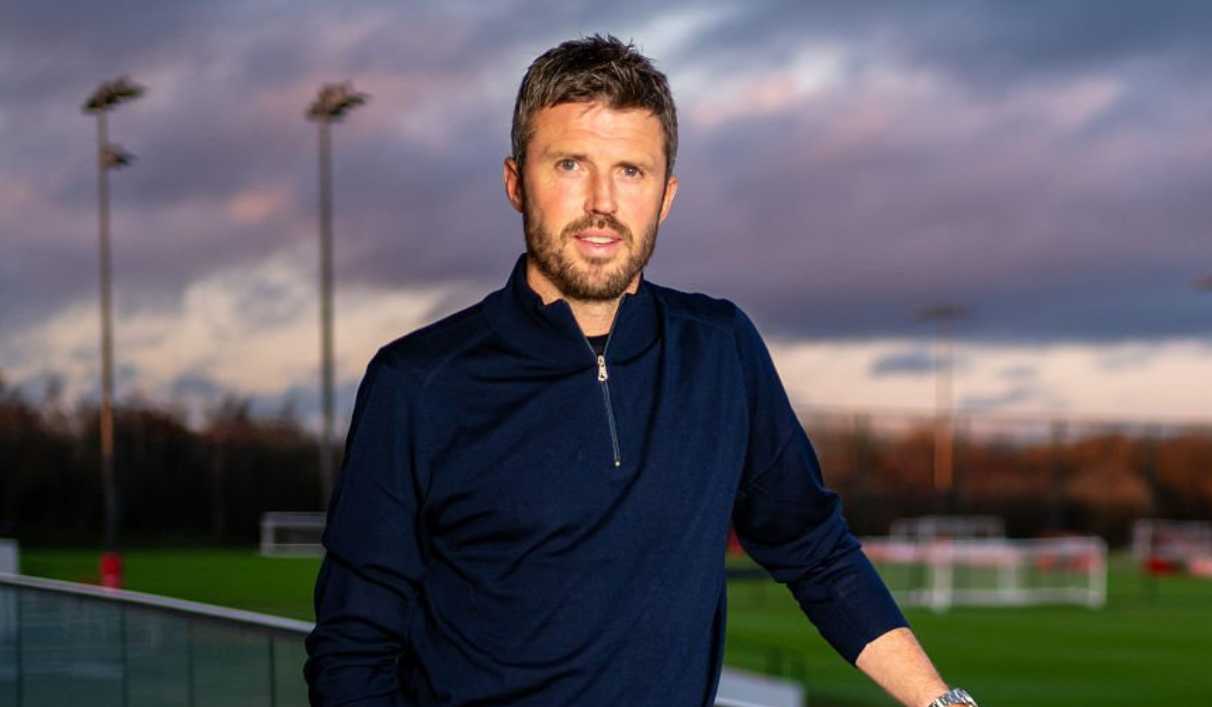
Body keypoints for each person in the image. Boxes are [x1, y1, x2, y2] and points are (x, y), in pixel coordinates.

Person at [304, 35, 978, 707]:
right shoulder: (417, 384)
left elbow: (816, 550)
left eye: (631, 171)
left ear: (666, 195)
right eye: (570, 164)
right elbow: (353, 650)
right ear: (516, 182)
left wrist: (942, 703)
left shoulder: (721, 351)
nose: (602, 201)